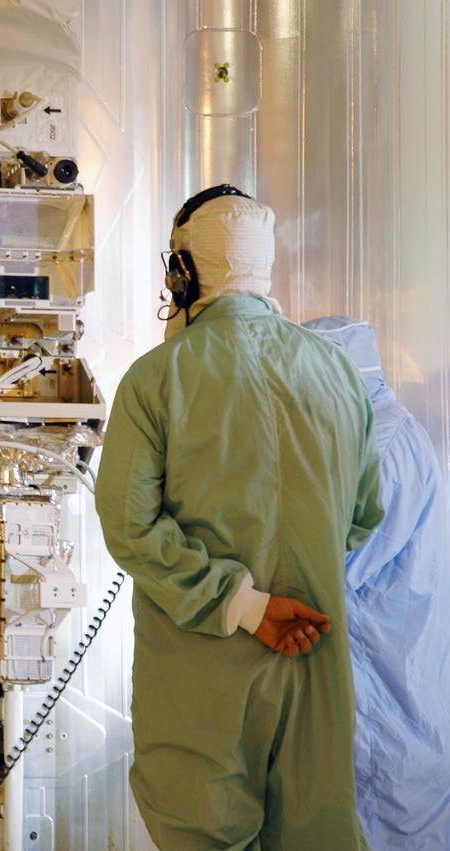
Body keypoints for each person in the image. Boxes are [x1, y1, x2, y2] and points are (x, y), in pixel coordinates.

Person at [95, 185, 384, 849]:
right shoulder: (338, 375)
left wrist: (248, 605)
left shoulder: (156, 379)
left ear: (183, 272)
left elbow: (129, 524)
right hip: (315, 666)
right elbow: (364, 516)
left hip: (206, 688)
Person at [303, 316, 450, 851]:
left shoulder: (379, 449)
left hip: (390, 734)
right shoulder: (374, 433)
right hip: (406, 723)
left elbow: (325, 573)